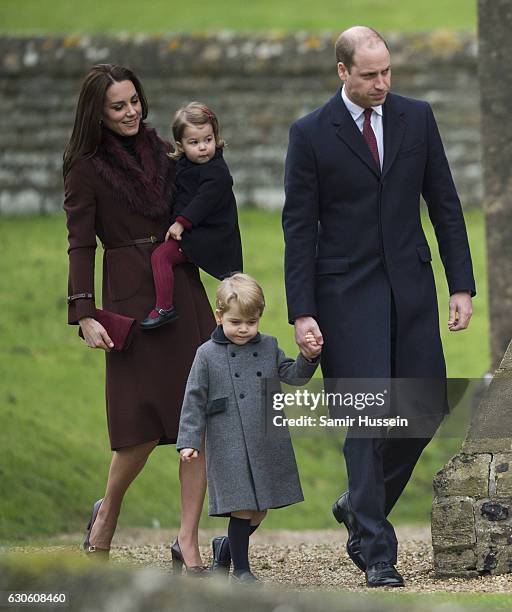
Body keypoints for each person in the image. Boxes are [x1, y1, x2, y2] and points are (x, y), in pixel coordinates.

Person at [282, 26, 475, 587]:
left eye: (387, 71)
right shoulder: (311, 134)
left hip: (412, 290)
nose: (382, 83)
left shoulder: (418, 117)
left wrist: (459, 285)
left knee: (426, 405)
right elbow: (298, 228)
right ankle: (376, 551)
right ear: (342, 72)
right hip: (344, 296)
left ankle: (358, 506)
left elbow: (445, 202)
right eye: (369, 75)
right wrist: (303, 312)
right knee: (365, 420)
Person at [63, 64, 215, 572]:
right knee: (139, 426)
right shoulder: (85, 167)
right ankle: (107, 514)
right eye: (118, 106)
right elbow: (81, 245)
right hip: (129, 297)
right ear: (97, 113)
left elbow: (206, 192)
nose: (131, 113)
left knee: (197, 422)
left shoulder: (165, 151)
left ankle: (188, 542)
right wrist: (84, 312)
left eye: (134, 102)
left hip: (182, 288)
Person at [176, 273, 321, 582]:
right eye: (236, 322)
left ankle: (225, 548)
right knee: (242, 508)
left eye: (251, 322)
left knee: (259, 510)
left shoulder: (268, 346)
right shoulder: (206, 354)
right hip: (228, 441)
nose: (243, 329)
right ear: (219, 316)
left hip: (266, 440)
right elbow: (193, 400)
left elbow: (293, 375)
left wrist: (309, 357)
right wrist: (188, 441)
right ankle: (242, 571)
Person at [140, 102, 243, 330]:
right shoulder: (184, 165)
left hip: (209, 235)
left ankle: (164, 307)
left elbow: (203, 201)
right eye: (194, 142)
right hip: (197, 231)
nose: (203, 147)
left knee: (161, 257)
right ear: (181, 145)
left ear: (215, 136)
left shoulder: (217, 171)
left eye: (208, 140)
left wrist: (180, 223)